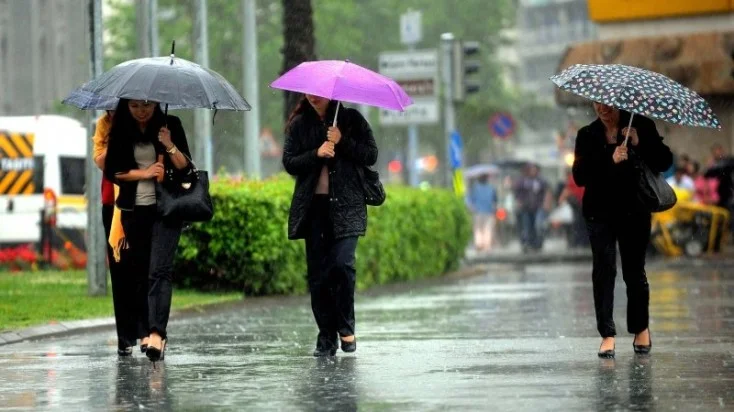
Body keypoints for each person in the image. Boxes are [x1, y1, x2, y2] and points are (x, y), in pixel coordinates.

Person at [572, 102, 672, 359]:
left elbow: (664, 161)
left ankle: (640, 328)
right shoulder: (587, 134)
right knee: (603, 271)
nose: (602, 109)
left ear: (619, 103)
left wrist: (640, 143)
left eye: (608, 105)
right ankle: (607, 334)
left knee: (634, 272)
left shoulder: (640, 125)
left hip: (634, 211)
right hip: (599, 212)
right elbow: (580, 175)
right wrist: (610, 158)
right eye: (596, 104)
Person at [282, 95, 377, 357]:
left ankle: (346, 327)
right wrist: (317, 153)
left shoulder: (351, 120)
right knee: (318, 276)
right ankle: (326, 335)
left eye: (319, 93)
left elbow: (371, 154)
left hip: (347, 207)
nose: (314, 97)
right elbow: (289, 161)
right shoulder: (300, 124)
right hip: (314, 210)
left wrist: (341, 141)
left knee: (343, 264)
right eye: (309, 93)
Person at [104, 99, 192, 362]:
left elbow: (185, 167)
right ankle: (143, 330)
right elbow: (113, 172)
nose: (142, 111)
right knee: (140, 271)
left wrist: (168, 145)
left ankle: (157, 334)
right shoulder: (121, 129)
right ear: (126, 108)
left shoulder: (170, 124)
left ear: (156, 104)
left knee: (160, 271)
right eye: (134, 106)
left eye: (147, 105)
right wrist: (143, 173)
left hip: (166, 211)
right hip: (135, 211)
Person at [92, 110, 143, 356]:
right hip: (112, 204)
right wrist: (116, 138)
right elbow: (101, 162)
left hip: (142, 201)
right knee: (119, 268)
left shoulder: (144, 122)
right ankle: (125, 337)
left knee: (141, 267)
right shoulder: (104, 125)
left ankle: (146, 332)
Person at [512, 164, 548, 252]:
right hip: (525, 208)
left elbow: (547, 191)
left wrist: (546, 203)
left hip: (538, 207)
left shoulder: (540, 181)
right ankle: (526, 243)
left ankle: (537, 243)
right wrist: (519, 201)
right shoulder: (522, 181)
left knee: (538, 225)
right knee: (526, 226)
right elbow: (516, 191)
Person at [467, 174, 498, 251]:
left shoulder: (475, 188)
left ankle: (479, 244)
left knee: (478, 229)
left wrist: (471, 207)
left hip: (478, 211)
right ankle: (486, 245)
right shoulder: (491, 188)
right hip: (488, 211)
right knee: (487, 229)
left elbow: (469, 200)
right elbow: (495, 200)